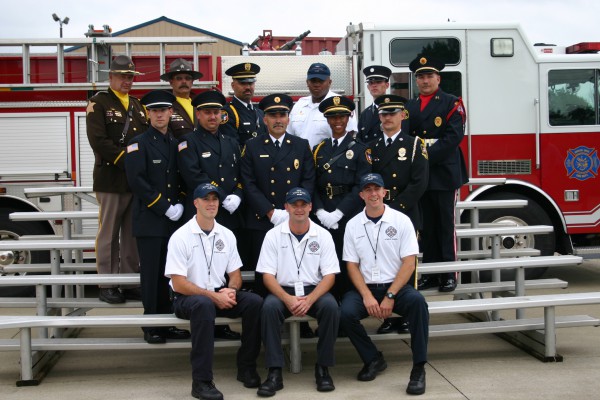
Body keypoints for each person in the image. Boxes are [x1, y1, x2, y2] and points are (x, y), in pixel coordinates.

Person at [165, 182, 263, 400]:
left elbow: (235, 275)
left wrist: (231, 290)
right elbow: (179, 283)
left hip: (218, 294)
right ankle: (201, 381)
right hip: (188, 299)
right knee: (203, 305)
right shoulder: (180, 236)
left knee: (255, 302)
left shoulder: (226, 234)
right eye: (206, 199)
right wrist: (213, 296)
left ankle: (246, 367)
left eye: (215, 199)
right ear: (195, 203)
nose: (211, 203)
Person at [340, 172, 429, 396]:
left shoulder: (401, 221)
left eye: (377, 189)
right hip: (366, 287)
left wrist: (390, 296)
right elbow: (351, 265)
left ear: (384, 192)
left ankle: (418, 368)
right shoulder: (352, 225)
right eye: (368, 190)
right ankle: (372, 359)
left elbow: (409, 263)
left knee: (418, 304)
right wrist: (367, 296)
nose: (373, 194)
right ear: (361, 195)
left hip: (396, 287)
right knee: (345, 312)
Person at [240, 93, 315, 338]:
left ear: (288, 117)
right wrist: (271, 212)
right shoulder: (251, 146)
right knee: (265, 275)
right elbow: (248, 183)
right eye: (273, 115)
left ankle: (300, 321)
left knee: (296, 270)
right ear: (264, 119)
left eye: (282, 114)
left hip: (295, 221)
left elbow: (307, 180)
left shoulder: (301, 145)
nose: (278, 120)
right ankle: (266, 324)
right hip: (262, 221)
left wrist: (293, 213)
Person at [256, 187, 340, 397]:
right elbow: (267, 276)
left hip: (314, 289)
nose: (299, 209)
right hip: (282, 290)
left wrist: (310, 299)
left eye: (304, 204)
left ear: (311, 207)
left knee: (331, 307)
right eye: (295, 204)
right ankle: (274, 371)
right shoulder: (273, 235)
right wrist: (288, 298)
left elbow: (330, 276)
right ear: (286, 207)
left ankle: (323, 368)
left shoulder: (323, 235)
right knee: (268, 308)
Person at [124, 90, 190, 344]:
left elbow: (184, 177)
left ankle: (168, 321)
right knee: (151, 276)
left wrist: (181, 203)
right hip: (151, 220)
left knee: (170, 274)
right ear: (147, 114)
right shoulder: (137, 143)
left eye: (164, 110)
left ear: (171, 112)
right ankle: (152, 324)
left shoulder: (177, 144)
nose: (159, 114)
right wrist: (165, 206)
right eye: (154, 110)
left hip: (174, 221)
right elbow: (137, 182)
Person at [178, 90, 244, 341]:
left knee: (222, 268)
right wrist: (222, 194)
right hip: (205, 211)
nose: (213, 116)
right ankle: (207, 320)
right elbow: (193, 174)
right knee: (204, 265)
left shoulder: (230, 141)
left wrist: (236, 193)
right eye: (207, 112)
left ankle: (222, 319)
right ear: (198, 114)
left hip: (228, 214)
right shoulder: (187, 142)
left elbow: (239, 173)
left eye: (216, 112)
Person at [86, 55, 147, 304]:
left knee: (132, 234)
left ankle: (130, 280)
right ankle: (108, 283)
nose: (127, 81)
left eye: (130, 76)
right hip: (111, 178)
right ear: (110, 76)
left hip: (133, 180)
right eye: (122, 76)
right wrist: (128, 161)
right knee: (109, 232)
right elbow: (98, 141)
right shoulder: (98, 103)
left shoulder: (137, 105)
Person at [405, 55, 468, 293]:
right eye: (420, 76)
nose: (425, 80)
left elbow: (453, 138)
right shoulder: (409, 107)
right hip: (421, 176)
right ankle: (430, 273)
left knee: (444, 225)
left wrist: (423, 158)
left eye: (429, 76)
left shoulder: (452, 103)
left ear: (438, 78)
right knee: (426, 226)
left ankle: (449, 274)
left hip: (443, 173)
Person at [369, 94, 429, 334]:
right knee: (384, 262)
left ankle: (405, 316)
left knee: (406, 263)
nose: (387, 118)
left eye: (392, 113)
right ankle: (388, 315)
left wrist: (395, 210)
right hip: (378, 213)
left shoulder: (415, 145)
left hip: (404, 213)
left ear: (402, 116)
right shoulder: (372, 147)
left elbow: (419, 183)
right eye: (383, 114)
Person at [313, 95, 371, 301]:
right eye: (333, 117)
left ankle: (346, 310)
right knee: (323, 263)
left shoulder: (360, 149)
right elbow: (312, 183)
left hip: (348, 215)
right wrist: (320, 211)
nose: (337, 121)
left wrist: (339, 213)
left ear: (349, 118)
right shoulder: (319, 149)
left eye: (342, 117)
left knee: (347, 262)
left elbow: (360, 186)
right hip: (322, 216)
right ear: (327, 120)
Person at [288, 63, 358, 148]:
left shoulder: (342, 104)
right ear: (307, 82)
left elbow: (348, 137)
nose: (316, 84)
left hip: (328, 159)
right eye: (313, 80)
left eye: (321, 81)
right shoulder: (299, 105)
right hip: (300, 158)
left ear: (329, 82)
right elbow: (289, 135)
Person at [221, 62, 267, 145]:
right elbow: (231, 147)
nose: (248, 87)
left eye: (250, 83)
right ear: (233, 85)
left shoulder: (260, 113)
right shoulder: (227, 113)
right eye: (243, 83)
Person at [160, 58, 203, 140]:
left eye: (188, 78)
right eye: (179, 78)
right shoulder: (165, 107)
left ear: (192, 82)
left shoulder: (199, 106)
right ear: (171, 82)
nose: (184, 81)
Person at [357, 65, 392, 144]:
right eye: (371, 82)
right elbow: (360, 140)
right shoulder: (365, 114)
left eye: (378, 82)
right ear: (368, 87)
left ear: (387, 85)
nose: (374, 85)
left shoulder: (394, 110)